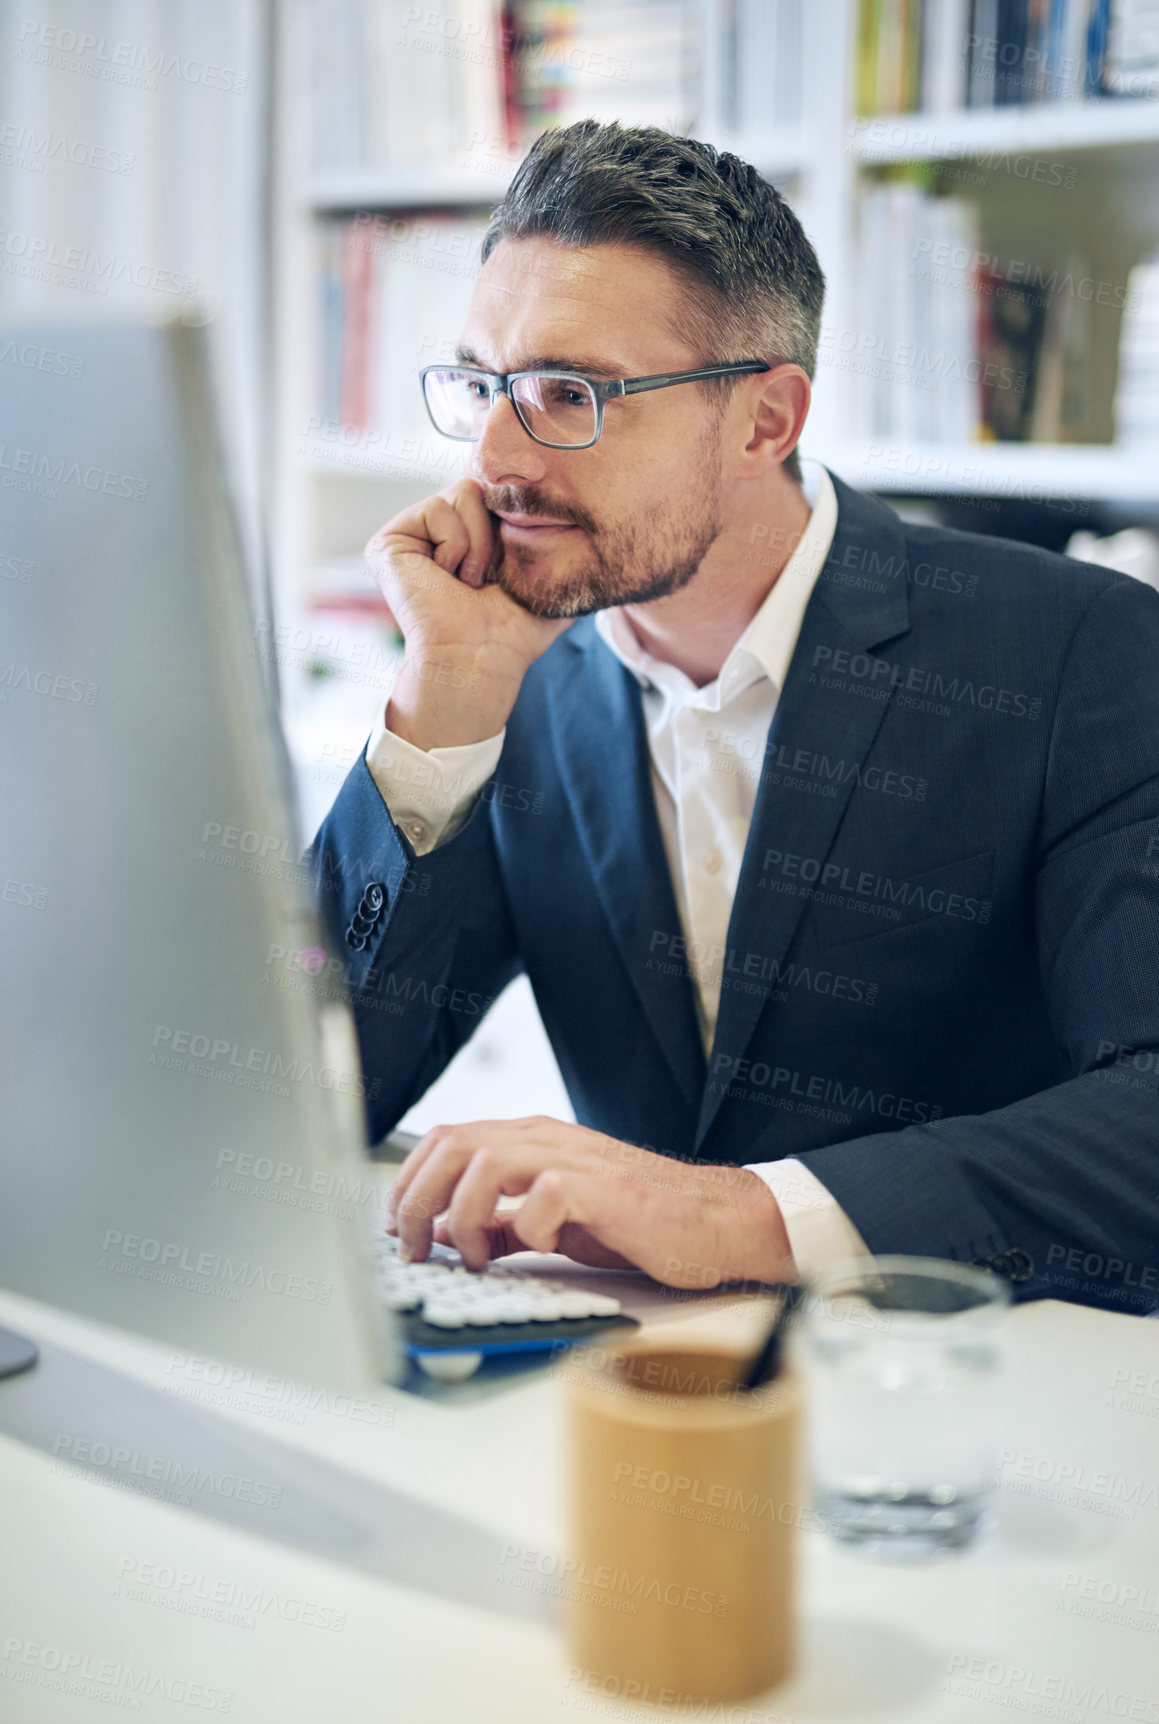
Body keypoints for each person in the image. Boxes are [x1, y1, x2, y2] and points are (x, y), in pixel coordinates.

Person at [310, 121, 1159, 1312]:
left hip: (960, 1399)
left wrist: (745, 1213)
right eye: (483, 384)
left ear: (765, 420)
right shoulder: (507, 678)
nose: (496, 455)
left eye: (571, 393)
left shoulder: (1078, 650)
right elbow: (307, 1094)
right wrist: (436, 710)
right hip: (613, 1394)